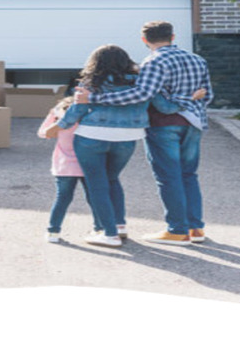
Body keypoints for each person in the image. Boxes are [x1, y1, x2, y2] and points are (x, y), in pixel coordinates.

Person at [74, 20, 213, 247]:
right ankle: (194, 228)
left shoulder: (153, 61)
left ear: (144, 40)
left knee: (169, 176)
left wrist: (95, 98)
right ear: (173, 36)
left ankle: (177, 231)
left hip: (163, 125)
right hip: (194, 123)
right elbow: (207, 95)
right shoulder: (198, 60)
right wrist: (188, 101)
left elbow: (141, 94)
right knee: (189, 175)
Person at [45, 44, 153, 248]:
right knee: (113, 179)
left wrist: (58, 126)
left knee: (97, 184)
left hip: (92, 136)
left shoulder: (92, 82)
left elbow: (78, 110)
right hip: (129, 137)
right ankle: (119, 225)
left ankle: (109, 234)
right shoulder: (139, 81)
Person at [37, 98, 92, 244]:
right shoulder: (88, 118)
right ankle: (100, 228)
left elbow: (43, 133)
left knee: (62, 199)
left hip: (64, 165)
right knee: (94, 198)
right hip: (88, 164)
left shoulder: (60, 122)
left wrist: (53, 115)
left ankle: (53, 231)